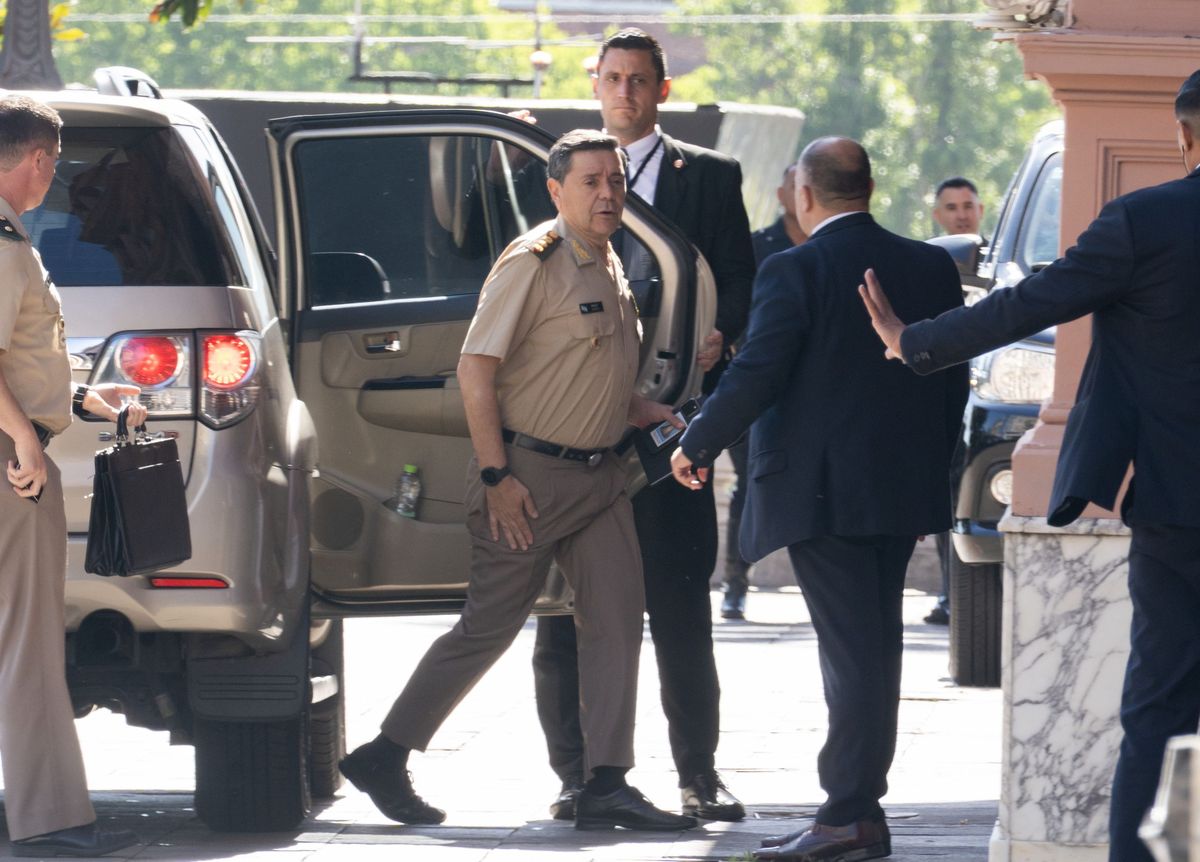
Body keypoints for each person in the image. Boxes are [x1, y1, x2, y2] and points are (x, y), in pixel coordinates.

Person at [859, 69, 1200, 862]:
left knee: (1156, 709)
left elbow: (1033, 301)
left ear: (1182, 137)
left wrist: (916, 341)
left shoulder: (1146, 221)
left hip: (1177, 507)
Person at [338, 129, 696, 833]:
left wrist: (657, 414)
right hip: (528, 477)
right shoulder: (532, 262)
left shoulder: (611, 262)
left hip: (600, 479)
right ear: (555, 190)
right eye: (590, 182)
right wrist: (497, 474)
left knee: (618, 623)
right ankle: (385, 753)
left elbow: (588, 381)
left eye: (616, 181)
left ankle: (605, 781)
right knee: (488, 628)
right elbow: (477, 368)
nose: (606, 194)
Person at [671, 137, 968, 862]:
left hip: (824, 493)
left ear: (804, 195)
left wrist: (697, 440)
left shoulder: (794, 267)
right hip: (900, 486)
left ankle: (847, 814)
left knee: (853, 654)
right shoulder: (931, 264)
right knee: (874, 647)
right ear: (868, 186)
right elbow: (951, 375)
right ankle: (858, 809)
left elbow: (759, 373)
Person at [532, 27, 756, 824]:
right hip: (571, 426)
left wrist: (721, 329)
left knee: (681, 606)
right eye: (613, 77)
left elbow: (739, 276)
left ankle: (700, 773)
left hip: (669, 429)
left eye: (639, 80)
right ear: (596, 84)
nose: (625, 91)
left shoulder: (712, 176)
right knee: (565, 611)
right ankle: (576, 775)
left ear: (662, 90)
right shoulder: (552, 175)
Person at [0, 94, 144, 858]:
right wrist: (25, 440)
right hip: (9, 467)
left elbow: (22, 357)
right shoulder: (2, 243)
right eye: (52, 165)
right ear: (40, 161)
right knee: (26, 646)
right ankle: (46, 820)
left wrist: (88, 396)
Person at [720, 163, 808, 620]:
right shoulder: (759, 249)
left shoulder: (830, 247)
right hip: (759, 388)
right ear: (783, 193)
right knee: (750, 485)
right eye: (796, 185)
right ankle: (736, 580)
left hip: (813, 392)